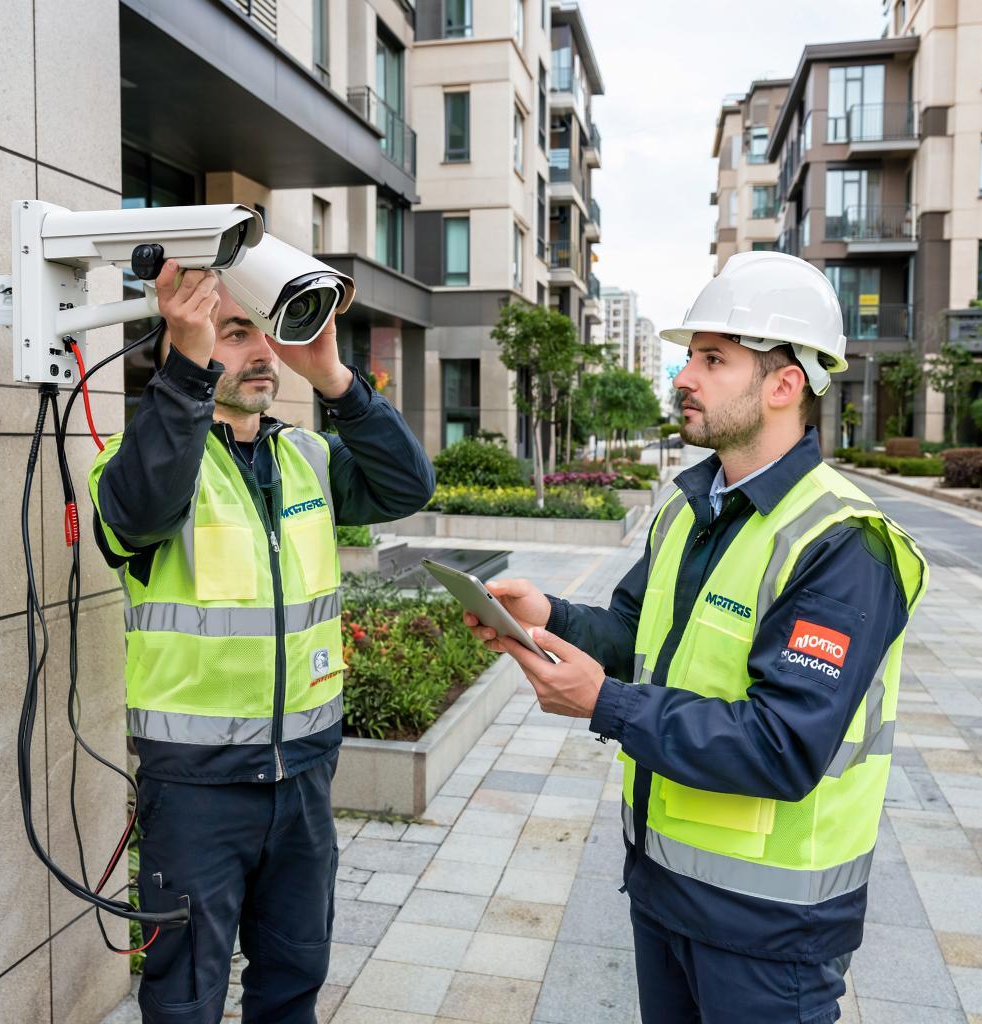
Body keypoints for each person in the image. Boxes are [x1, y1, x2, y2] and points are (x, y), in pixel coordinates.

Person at [465, 252, 928, 1024]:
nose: (685, 376)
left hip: (770, 931)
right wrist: (548, 613)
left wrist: (605, 705)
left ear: (784, 384)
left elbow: (782, 744)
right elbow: (633, 633)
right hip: (663, 893)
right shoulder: (690, 507)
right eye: (690, 356)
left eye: (713, 360)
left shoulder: (845, 544)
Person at [88, 260, 435, 1024]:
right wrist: (187, 363)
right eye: (235, 330)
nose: (262, 353)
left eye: (265, 334)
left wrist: (337, 379)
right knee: (186, 999)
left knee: (294, 979)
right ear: (186, 336)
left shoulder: (306, 456)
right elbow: (144, 508)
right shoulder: (132, 461)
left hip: (304, 777)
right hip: (196, 792)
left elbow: (409, 487)